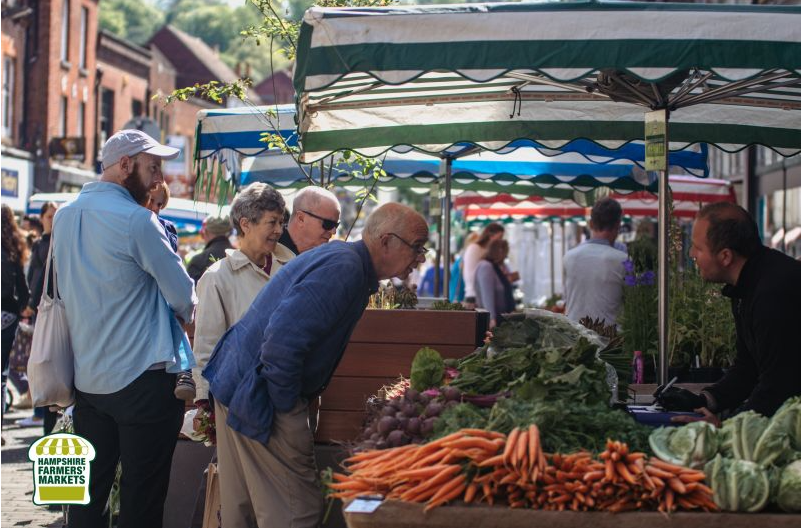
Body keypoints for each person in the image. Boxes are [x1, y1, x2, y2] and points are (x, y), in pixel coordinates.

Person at [203, 203, 428, 528]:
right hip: (259, 394)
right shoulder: (345, 268)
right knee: (299, 513)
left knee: (243, 512)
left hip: (239, 382)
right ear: (386, 241)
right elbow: (282, 344)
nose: (420, 257)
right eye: (417, 247)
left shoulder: (346, 262)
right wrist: (287, 407)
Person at [52, 129, 196, 528]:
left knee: (87, 497)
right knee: (142, 498)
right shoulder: (138, 221)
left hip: (89, 378)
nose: (157, 179)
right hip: (142, 377)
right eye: (152, 167)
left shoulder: (63, 217)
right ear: (125, 165)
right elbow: (184, 295)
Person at [659, 202, 801, 420]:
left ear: (725, 256)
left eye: (698, 248)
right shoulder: (746, 285)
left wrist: (726, 429)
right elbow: (748, 367)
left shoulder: (772, 293)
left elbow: (778, 386)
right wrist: (705, 400)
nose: (691, 254)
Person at [192, 182, 295, 405]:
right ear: (246, 224)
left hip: (288, 393)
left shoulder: (292, 268)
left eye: (281, 222)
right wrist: (205, 401)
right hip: (238, 398)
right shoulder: (217, 277)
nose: (279, 230)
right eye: (272, 222)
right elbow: (206, 345)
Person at [18, 202, 58, 431]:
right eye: (49, 216)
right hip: (40, 313)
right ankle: (39, 411)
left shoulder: (59, 242)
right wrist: (29, 304)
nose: (52, 220)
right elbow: (34, 276)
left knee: (49, 363)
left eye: (55, 216)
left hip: (54, 313)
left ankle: (46, 415)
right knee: (39, 363)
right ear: (42, 218)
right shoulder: (39, 245)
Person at [563, 197, 627, 326]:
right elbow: (631, 302)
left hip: (574, 337)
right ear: (618, 225)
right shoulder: (623, 260)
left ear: (591, 224)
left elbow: (566, 299)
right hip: (610, 341)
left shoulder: (569, 257)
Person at [1, 204, 30, 420]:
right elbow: (23, 287)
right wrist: (24, 308)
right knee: (2, 374)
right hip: (8, 315)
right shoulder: (13, 249)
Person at [278, 185, 341, 256]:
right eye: (328, 224)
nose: (333, 231)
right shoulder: (270, 249)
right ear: (301, 219)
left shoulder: (323, 258)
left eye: (336, 225)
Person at [474, 239, 516, 328]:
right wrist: (491, 319)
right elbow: (487, 295)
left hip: (501, 320)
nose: (505, 256)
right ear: (499, 251)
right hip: (494, 322)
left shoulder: (496, 267)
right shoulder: (486, 267)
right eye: (505, 253)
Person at [462, 223, 505, 308]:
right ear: (490, 235)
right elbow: (469, 275)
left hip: (486, 296)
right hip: (475, 296)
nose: (500, 241)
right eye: (499, 237)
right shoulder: (474, 248)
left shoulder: (488, 251)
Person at [186, 215, 233, 283]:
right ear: (229, 233)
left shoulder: (198, 260)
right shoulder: (241, 256)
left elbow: (192, 291)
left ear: (206, 231)